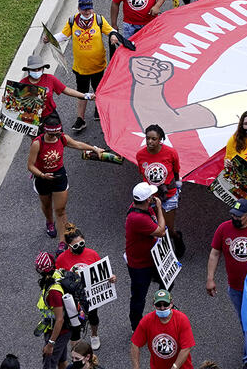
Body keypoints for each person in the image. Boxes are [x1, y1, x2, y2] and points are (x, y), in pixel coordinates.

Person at [208, 198, 247, 369]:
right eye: (233, 215)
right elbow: (215, 253)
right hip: (234, 286)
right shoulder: (223, 228)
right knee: (245, 319)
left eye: (239, 216)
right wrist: (210, 278)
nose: (234, 218)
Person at [28, 113, 106, 247]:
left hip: (59, 177)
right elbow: (30, 165)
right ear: (45, 131)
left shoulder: (62, 138)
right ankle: (49, 222)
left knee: (61, 210)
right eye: (51, 135)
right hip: (42, 178)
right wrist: (42, 175)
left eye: (56, 134)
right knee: (47, 206)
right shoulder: (37, 143)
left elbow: (77, 145)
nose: (54, 138)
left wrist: (94, 148)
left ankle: (62, 242)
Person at [48, 0, 119, 130]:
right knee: (82, 92)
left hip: (98, 65)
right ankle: (80, 119)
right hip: (81, 67)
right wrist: (50, 38)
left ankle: (99, 111)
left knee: (99, 90)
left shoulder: (99, 20)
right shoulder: (72, 21)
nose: (87, 12)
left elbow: (111, 31)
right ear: (79, 9)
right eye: (84, 9)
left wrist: (114, 36)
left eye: (89, 9)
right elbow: (63, 36)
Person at [56, 223, 114, 351]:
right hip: (73, 299)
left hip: (91, 295)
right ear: (69, 246)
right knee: (73, 322)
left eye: (82, 243)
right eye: (76, 246)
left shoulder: (92, 254)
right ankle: (77, 346)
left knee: (93, 316)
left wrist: (110, 278)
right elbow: (57, 278)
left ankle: (94, 335)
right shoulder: (61, 259)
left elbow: (101, 273)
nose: (80, 247)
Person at [124, 182, 168, 330]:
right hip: (140, 265)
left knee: (168, 281)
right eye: (151, 196)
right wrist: (160, 208)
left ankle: (163, 304)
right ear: (147, 199)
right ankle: (136, 326)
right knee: (138, 297)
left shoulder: (140, 207)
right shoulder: (138, 218)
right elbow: (161, 231)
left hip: (152, 258)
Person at [138, 125, 185, 256]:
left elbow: (176, 172)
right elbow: (143, 175)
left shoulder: (171, 153)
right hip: (151, 198)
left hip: (169, 195)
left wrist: (178, 188)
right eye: (147, 138)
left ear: (160, 140)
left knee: (168, 229)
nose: (150, 142)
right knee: (156, 229)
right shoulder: (140, 155)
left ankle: (177, 238)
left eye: (154, 139)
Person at [130, 289, 195, 369]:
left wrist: (174, 367)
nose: (162, 308)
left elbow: (186, 348)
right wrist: (136, 367)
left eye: (165, 304)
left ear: (171, 304)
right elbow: (135, 344)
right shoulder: (147, 321)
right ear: (154, 305)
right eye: (158, 305)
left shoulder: (182, 319)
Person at [33, 251, 73, 369]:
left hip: (59, 332)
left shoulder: (54, 293)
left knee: (49, 364)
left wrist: (50, 344)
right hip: (61, 331)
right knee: (62, 361)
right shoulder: (57, 274)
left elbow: (59, 319)